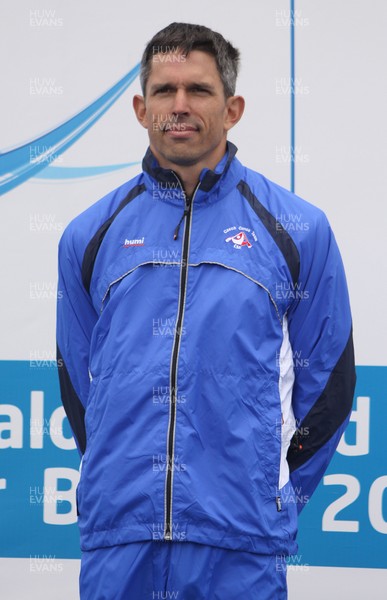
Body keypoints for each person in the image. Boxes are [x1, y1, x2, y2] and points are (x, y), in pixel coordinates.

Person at [56, 22, 356, 600]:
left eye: (198, 90)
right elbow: (78, 381)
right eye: (164, 91)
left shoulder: (297, 229)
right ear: (141, 108)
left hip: (239, 544)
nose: (180, 106)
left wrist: (273, 495)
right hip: (120, 542)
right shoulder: (89, 234)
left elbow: (331, 386)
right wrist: (113, 484)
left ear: (233, 107)